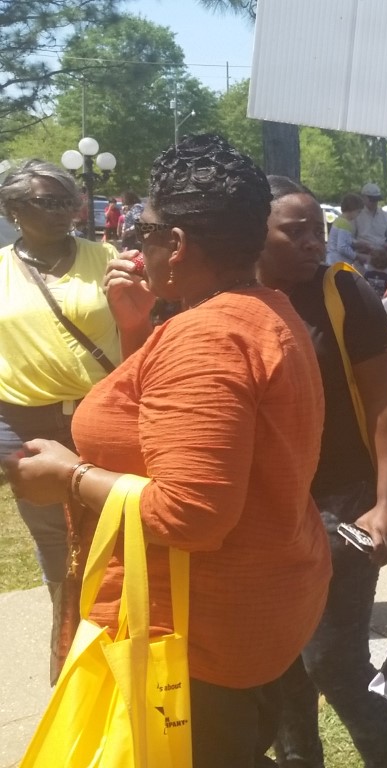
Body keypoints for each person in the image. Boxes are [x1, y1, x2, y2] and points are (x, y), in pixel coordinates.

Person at [3, 134, 332, 767]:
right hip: (247, 610)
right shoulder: (262, 310)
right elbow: (160, 430)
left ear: (176, 244)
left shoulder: (207, 338)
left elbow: (191, 514)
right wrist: (136, 328)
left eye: (143, 231)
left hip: (192, 640)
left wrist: (70, 477)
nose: (133, 245)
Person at [258, 176, 387, 768]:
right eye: (293, 232)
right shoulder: (231, 299)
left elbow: (385, 403)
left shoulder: (343, 292)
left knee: (334, 662)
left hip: (342, 503)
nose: (312, 243)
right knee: (278, 664)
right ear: (253, 233)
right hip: (266, 508)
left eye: (316, 231)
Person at [0, 160, 126, 682]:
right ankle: (69, 664)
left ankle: (120, 653)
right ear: (12, 209)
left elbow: (141, 326)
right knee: (57, 548)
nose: (64, 211)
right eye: (46, 202)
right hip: (25, 424)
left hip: (104, 418)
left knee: (115, 536)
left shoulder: (108, 258)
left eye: (68, 200)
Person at [354, 182, 387, 267]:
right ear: (363, 198)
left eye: (376, 199)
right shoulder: (356, 215)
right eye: (372, 200)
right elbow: (348, 239)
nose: (375, 202)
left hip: (382, 258)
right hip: (361, 258)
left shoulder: (386, 216)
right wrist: (360, 244)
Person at [326, 193, 366, 267]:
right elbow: (342, 247)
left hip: (331, 260)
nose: (358, 215)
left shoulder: (339, 220)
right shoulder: (345, 224)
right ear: (352, 209)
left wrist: (356, 243)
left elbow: (344, 239)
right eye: (358, 212)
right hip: (338, 262)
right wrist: (357, 256)